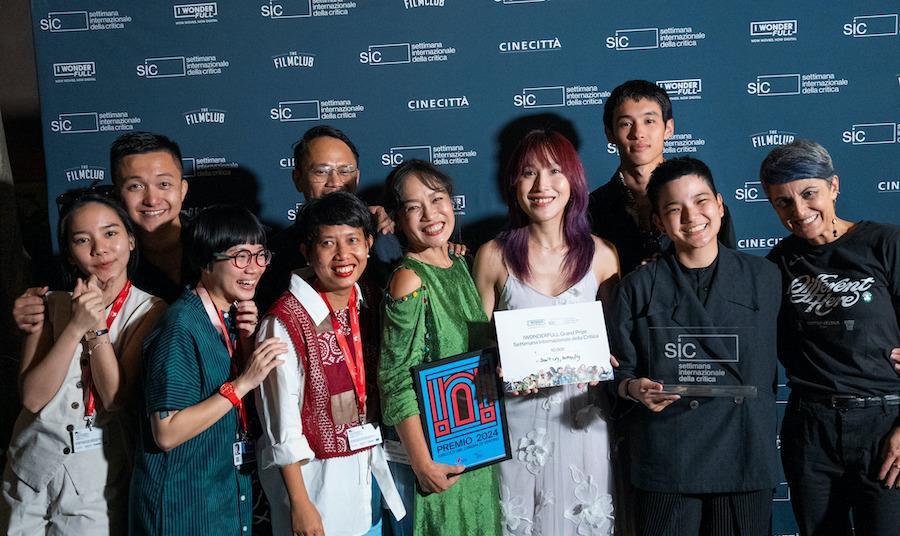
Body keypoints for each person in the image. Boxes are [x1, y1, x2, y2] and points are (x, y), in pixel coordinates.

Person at [613, 157, 780, 535]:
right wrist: (631, 388)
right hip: (668, 458)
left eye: (701, 202)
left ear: (720, 205)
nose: (692, 217)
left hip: (743, 455)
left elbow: (805, 348)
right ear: (658, 221)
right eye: (675, 209)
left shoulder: (766, 278)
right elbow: (617, 370)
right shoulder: (637, 287)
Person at [473, 129, 619, 535]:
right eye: (528, 173)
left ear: (573, 180)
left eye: (555, 171)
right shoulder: (493, 256)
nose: (542, 186)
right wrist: (495, 364)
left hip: (583, 421)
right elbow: (475, 348)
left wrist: (606, 360)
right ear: (513, 183)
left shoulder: (603, 256)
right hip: (517, 424)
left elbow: (616, 342)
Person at [2, 191, 165, 535]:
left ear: (131, 240)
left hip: (97, 476)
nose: (99, 249)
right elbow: (32, 397)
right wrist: (74, 324)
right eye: (82, 240)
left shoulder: (150, 308)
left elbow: (114, 398)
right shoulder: (48, 303)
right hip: (29, 468)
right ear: (71, 253)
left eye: (110, 234)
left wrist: (95, 327)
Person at [760, 139, 900, 535]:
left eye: (809, 194)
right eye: (783, 202)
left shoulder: (885, 244)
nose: (799, 211)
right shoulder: (778, 263)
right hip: (811, 429)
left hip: (885, 425)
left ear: (834, 187)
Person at [129, 205, 287, 534]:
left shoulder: (228, 316)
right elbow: (167, 433)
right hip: (182, 507)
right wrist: (242, 384)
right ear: (205, 260)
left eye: (260, 255)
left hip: (221, 498)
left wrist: (245, 344)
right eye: (240, 256)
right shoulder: (180, 326)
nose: (254, 268)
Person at [255, 191, 405, 536]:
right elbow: (282, 425)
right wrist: (301, 505)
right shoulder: (283, 323)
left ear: (369, 243)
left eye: (352, 240)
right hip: (317, 490)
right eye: (327, 243)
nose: (343, 255)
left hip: (369, 478)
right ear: (307, 251)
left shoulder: (370, 302)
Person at [378, 160, 502, 535]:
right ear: (398, 219)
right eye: (414, 207)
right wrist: (422, 462)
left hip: (483, 441)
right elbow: (395, 380)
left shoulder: (465, 262)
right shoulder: (408, 279)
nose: (430, 214)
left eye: (437, 199)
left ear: (452, 202)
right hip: (439, 452)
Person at [12, 132, 189, 343]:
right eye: (136, 186)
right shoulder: (98, 262)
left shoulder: (220, 243)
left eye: (164, 184)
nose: (151, 199)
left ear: (182, 190)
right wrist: (30, 311)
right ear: (117, 194)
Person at [589, 80, 735, 275]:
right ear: (610, 134)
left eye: (649, 121)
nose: (638, 133)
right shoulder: (591, 209)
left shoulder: (704, 206)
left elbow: (728, 273)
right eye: (626, 123)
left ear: (669, 128)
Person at [258, 125, 403, 311]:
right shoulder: (273, 255)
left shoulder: (385, 237)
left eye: (344, 171)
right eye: (321, 171)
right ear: (297, 179)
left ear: (356, 178)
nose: (335, 182)